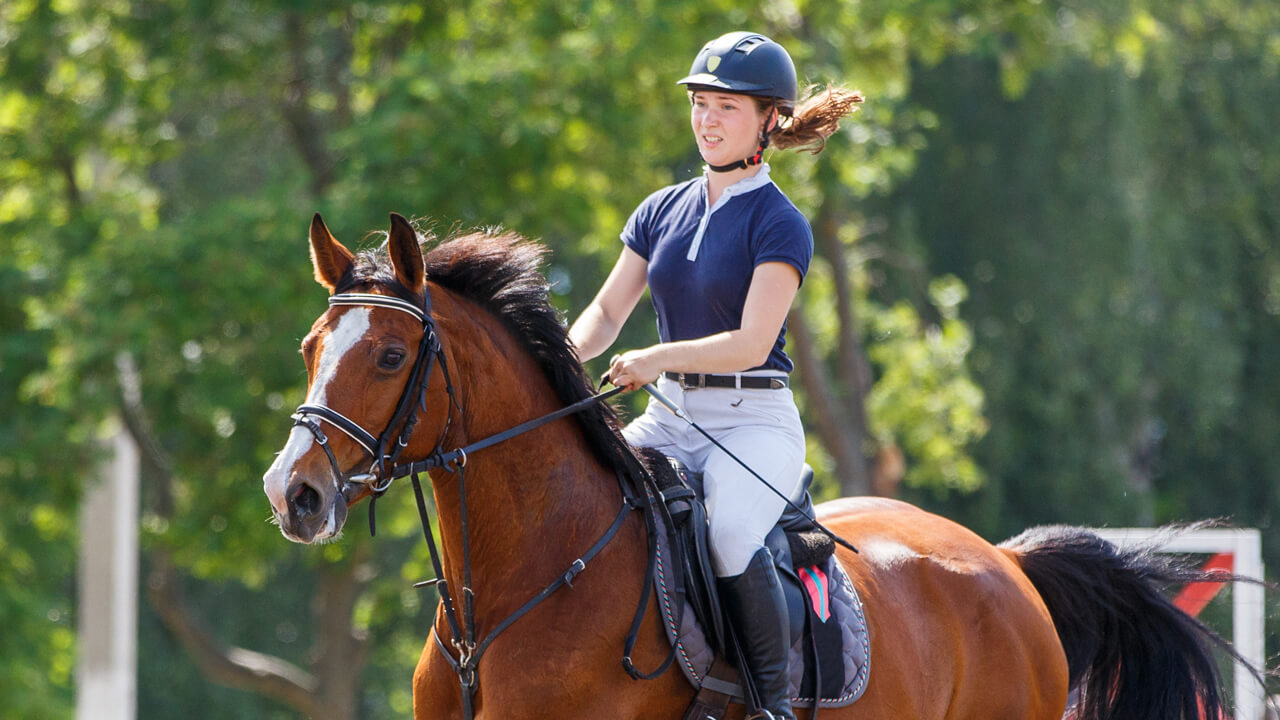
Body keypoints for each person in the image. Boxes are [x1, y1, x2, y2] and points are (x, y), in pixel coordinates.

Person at [568, 31, 862, 720]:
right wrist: (553, 358)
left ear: (768, 120)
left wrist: (654, 359)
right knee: (591, 502)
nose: (706, 119)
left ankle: (769, 703)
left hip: (752, 421)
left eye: (726, 106)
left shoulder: (780, 222)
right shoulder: (660, 208)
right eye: (700, 103)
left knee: (730, 533)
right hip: (671, 416)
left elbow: (750, 342)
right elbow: (609, 310)